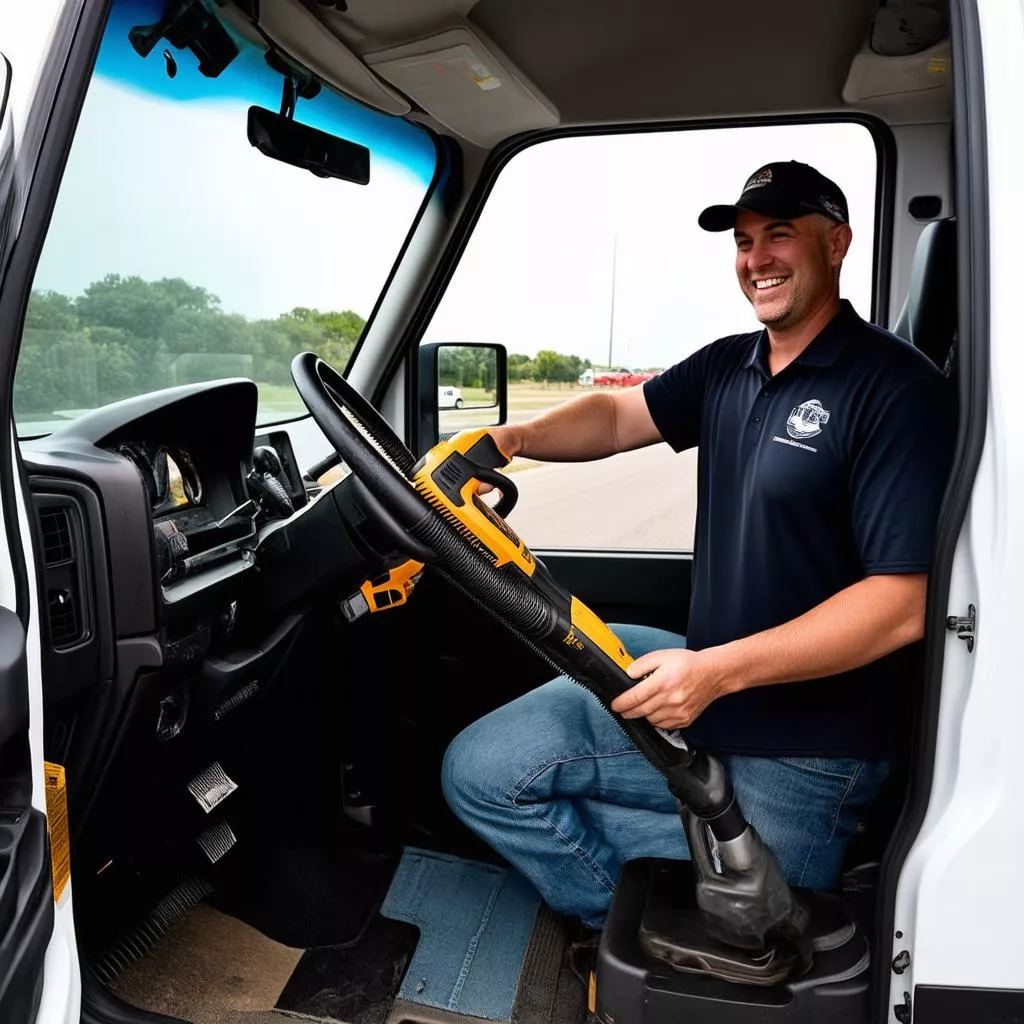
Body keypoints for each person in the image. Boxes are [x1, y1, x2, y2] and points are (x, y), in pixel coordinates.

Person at [441, 160, 956, 931]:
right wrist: (508, 439)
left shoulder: (895, 389)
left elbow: (902, 604)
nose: (757, 260)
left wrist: (715, 672)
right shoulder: (728, 365)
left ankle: (639, 933)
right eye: (745, 242)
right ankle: (623, 914)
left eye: (780, 235)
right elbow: (616, 419)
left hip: (809, 747)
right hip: (708, 683)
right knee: (479, 773)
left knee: (763, 915)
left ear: (838, 242)